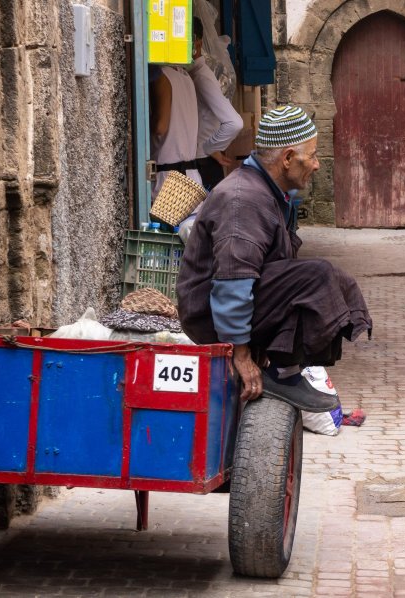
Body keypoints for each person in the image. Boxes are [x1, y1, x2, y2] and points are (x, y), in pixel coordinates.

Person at [176, 106, 372, 411]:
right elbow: (233, 283)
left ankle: (283, 369)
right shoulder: (244, 200)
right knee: (315, 276)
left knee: (329, 277)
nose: (317, 165)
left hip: (225, 307)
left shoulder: (268, 193)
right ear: (288, 158)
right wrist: (239, 353)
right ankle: (283, 373)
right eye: (313, 156)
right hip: (209, 315)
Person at [189, 16, 243, 190]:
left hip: (203, 164)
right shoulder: (192, 75)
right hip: (200, 161)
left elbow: (234, 123)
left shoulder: (202, 77)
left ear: (197, 42)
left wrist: (208, 148)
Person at [150, 60, 201, 196]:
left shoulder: (162, 77)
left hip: (169, 180)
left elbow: (160, 126)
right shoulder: (186, 77)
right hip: (191, 176)